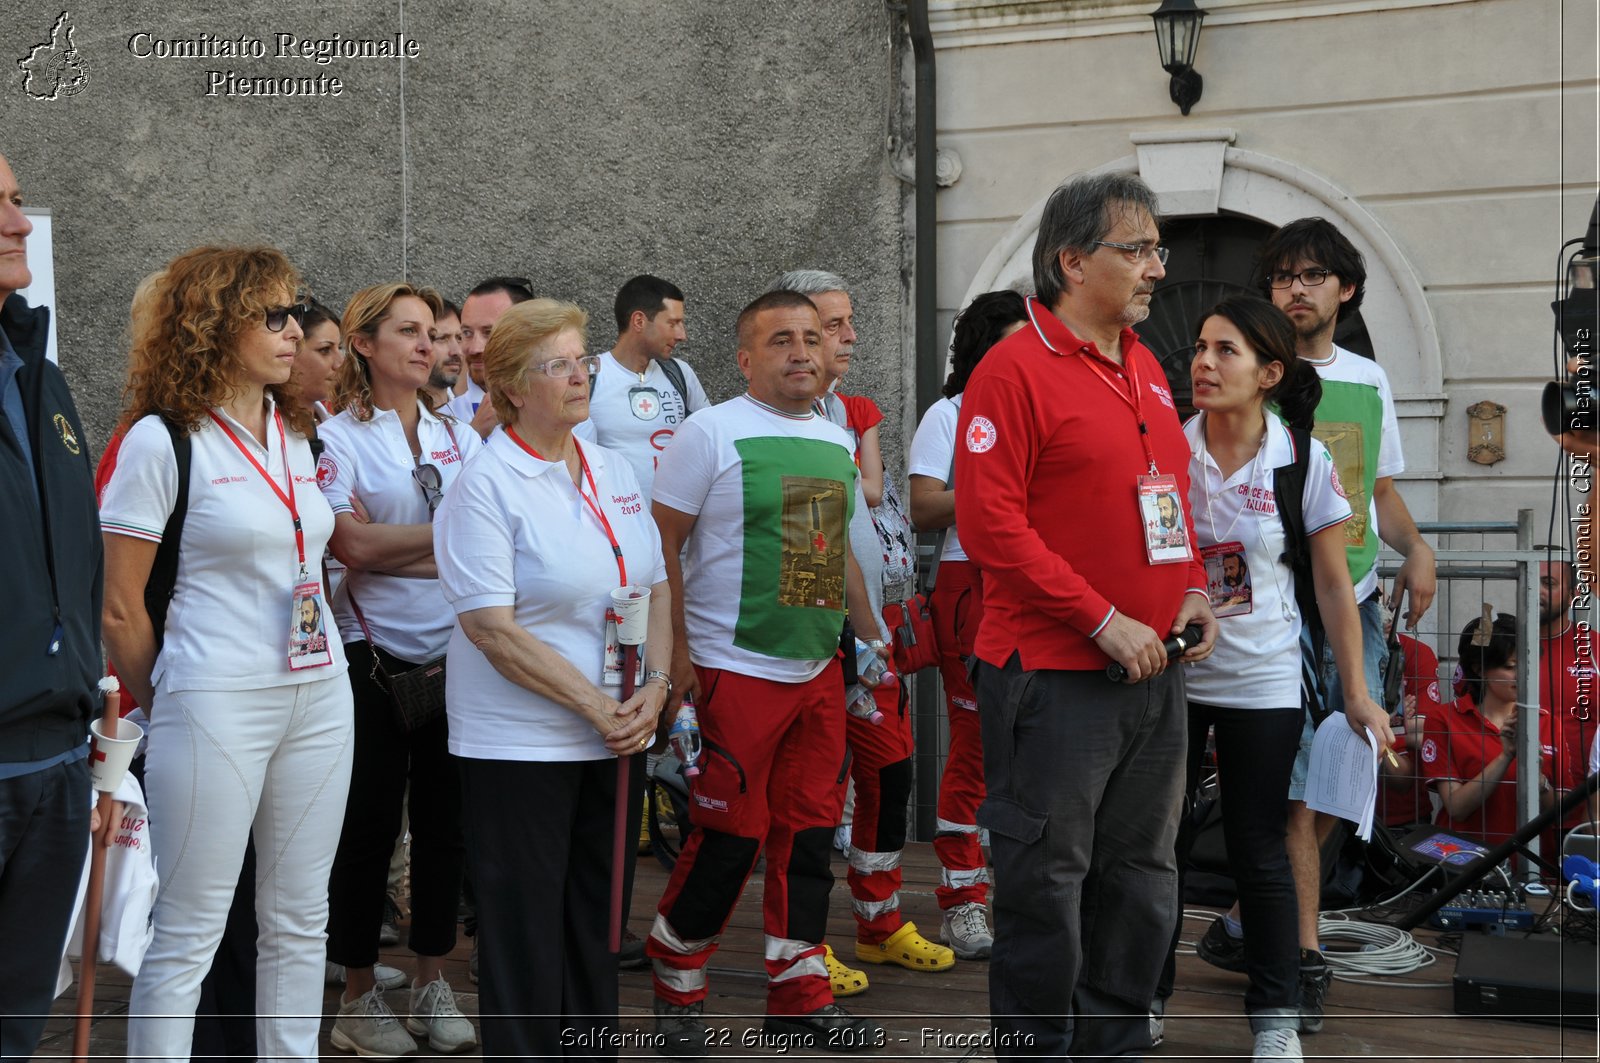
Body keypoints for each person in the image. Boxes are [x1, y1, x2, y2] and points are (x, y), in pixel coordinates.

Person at [954, 171, 1218, 1059]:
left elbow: (1168, 500)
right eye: (1135, 249)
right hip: (1055, 678)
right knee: (1047, 886)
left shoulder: (1143, 364)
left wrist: (1187, 590)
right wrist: (1103, 618)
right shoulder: (1013, 367)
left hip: (1155, 672)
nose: (1156, 269)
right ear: (1072, 261)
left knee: (1143, 880)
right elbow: (991, 526)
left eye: (1158, 250)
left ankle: (1111, 1042)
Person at [100, 246, 354, 1061]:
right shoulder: (162, 440)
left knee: (299, 918)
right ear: (215, 323)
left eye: (296, 310)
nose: (295, 330)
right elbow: (118, 605)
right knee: (189, 930)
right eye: (273, 315)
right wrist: (174, 694)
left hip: (321, 693)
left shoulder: (295, 432)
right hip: (213, 699)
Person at [1210, 217, 1437, 1035]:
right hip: (1272, 604)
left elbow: (1378, 492)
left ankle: (1249, 913)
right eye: (1281, 276)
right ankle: (1301, 953)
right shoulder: (1244, 372)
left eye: (1311, 276)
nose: (1295, 289)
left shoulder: (1371, 380)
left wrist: (1416, 547)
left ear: (1346, 288)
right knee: (1294, 784)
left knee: (1347, 765)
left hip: (1358, 597)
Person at [645, 290, 883, 1055]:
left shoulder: (836, 439)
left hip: (815, 669)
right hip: (731, 669)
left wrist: (870, 639)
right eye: (781, 340)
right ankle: (678, 986)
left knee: (810, 839)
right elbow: (663, 550)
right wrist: (675, 658)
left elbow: (830, 549)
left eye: (812, 338)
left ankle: (800, 991)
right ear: (745, 359)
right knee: (727, 840)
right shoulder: (708, 432)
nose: (802, 352)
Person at [1154, 295, 1390, 1063]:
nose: (1203, 363)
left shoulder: (1300, 458)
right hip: (1172, 679)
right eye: (1199, 347)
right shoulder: (1165, 448)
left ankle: (1275, 1017)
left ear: (1269, 373)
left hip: (1264, 680)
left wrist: (1355, 690)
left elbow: (1332, 586)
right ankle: (1145, 998)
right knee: (1161, 845)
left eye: (1226, 351)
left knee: (1261, 847)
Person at [434, 298, 670, 1059]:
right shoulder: (485, 484)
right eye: (559, 365)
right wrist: (600, 704)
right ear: (508, 385)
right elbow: (491, 629)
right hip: (522, 747)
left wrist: (658, 685)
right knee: (526, 938)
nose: (580, 376)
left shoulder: (610, 465)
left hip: (616, 732)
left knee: (595, 931)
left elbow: (657, 587)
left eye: (584, 361)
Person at [772, 268, 955, 982]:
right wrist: (845, 647)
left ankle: (878, 924)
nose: (850, 336)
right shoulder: (788, 420)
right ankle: (797, 950)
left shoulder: (843, 415)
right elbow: (806, 558)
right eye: (835, 323)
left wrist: (873, 635)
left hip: (865, 636)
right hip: (815, 645)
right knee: (809, 801)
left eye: (848, 323)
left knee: (892, 770)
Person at [317, 283, 480, 1057]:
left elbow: (490, 541)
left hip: (457, 658)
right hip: (368, 656)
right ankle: (355, 991)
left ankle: (430, 976)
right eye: (408, 332)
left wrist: (403, 544)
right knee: (368, 827)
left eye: (435, 334)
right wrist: (451, 546)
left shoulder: (459, 436)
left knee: (446, 828)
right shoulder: (338, 437)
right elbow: (351, 549)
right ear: (363, 343)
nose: (428, 346)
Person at [0, 150, 107, 1062]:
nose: (19, 222)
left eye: (18, 199)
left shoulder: (41, 375)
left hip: (57, 759)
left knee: (17, 1020)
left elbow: (76, 562)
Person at [907, 289, 1028, 961]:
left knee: (1031, 747)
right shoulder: (949, 413)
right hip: (970, 583)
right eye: (1011, 341)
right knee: (977, 748)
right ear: (982, 346)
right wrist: (998, 490)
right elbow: (924, 506)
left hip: (1034, 584)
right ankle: (961, 900)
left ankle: (1014, 888)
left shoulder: (1038, 408)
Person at [1419, 613, 1558, 845]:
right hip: (1464, 861)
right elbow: (1456, 807)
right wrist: (1505, 756)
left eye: (1529, 664)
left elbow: (1562, 813)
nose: (1522, 674)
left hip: (1532, 863)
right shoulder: (1443, 719)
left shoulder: (1548, 723)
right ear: (1479, 669)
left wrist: (1540, 782)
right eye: (1511, 666)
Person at [588, 274, 707, 502]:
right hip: (617, 526)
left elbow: (708, 445)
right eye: (672, 323)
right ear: (639, 321)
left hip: (675, 526)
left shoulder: (680, 373)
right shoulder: (589, 377)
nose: (682, 335)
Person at [1536, 555, 1598, 828]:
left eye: (1548, 583)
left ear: (1573, 595)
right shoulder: (1497, 649)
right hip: (1509, 802)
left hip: (1583, 808)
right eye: (1531, 581)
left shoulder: (1595, 649)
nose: (1537, 590)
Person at [445, 276, 534, 436]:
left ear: (529, 335)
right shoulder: (444, 422)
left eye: (489, 333)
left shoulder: (565, 416)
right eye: (467, 333)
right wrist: (474, 434)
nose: (475, 348)